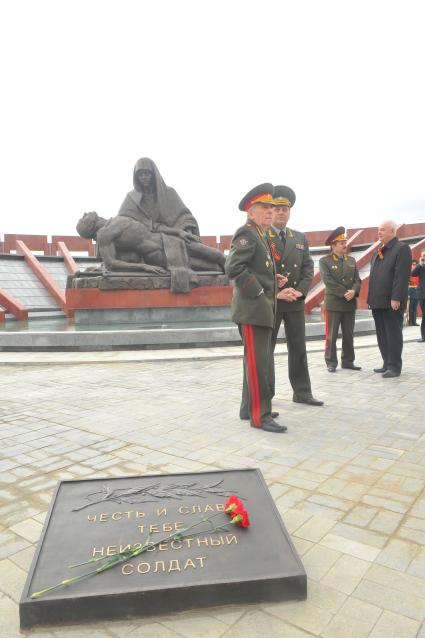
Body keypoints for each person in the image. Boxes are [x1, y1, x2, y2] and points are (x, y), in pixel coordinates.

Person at [225, 184, 286, 433]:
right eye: (264, 208)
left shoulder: (260, 234)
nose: (270, 212)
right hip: (253, 309)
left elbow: (256, 268)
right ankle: (260, 416)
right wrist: (260, 292)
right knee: (258, 364)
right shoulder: (248, 234)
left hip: (259, 309)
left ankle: (248, 407)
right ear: (251, 213)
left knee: (255, 361)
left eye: (272, 207)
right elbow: (234, 268)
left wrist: (274, 279)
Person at [267, 185, 323, 405]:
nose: (281, 212)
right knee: (266, 350)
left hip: (294, 301)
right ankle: (266, 395)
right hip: (271, 301)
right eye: (277, 208)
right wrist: (277, 290)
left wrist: (300, 290)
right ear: (271, 211)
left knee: (298, 347)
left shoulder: (299, 237)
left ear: (290, 212)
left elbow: (308, 267)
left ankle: (302, 392)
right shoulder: (263, 235)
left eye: (285, 209)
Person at [76, 212, 225, 274]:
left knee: (217, 255)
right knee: (212, 268)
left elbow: (152, 226)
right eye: (82, 219)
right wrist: (143, 266)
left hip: (169, 240)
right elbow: (110, 264)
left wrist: (178, 231)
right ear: (89, 226)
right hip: (159, 255)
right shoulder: (104, 235)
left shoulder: (118, 217)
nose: (84, 214)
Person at [368, 220, 412, 377]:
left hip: (391, 302)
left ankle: (394, 366)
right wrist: (370, 300)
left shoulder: (402, 249)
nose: (379, 232)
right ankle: (386, 362)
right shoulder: (378, 251)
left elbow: (401, 275)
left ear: (393, 231)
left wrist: (396, 298)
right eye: (378, 230)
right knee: (382, 334)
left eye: (383, 230)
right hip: (377, 301)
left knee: (393, 333)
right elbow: (374, 277)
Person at [118, 158, 200, 237]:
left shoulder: (169, 192)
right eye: (140, 174)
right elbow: (120, 220)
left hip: (170, 235)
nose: (143, 177)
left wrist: (187, 231)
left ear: (153, 174)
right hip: (141, 238)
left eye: (147, 173)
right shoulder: (131, 198)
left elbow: (185, 217)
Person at [319, 227, 362, 372]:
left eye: (345, 241)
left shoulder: (351, 260)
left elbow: (357, 279)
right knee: (331, 336)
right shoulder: (325, 261)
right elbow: (328, 281)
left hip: (349, 303)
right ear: (333, 245)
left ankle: (348, 361)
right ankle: (331, 362)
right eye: (341, 242)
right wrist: (345, 292)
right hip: (334, 303)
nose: (345, 245)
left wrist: (354, 291)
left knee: (349, 335)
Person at [412, 249, 425, 342]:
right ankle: (424, 336)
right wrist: (419, 264)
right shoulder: (420, 266)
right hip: (423, 295)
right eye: (422, 255)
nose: (423, 257)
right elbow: (413, 273)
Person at [407, 260, 419, 326]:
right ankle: (410, 321)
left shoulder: (418, 273)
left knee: (415, 307)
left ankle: (414, 321)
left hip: (417, 291)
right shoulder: (408, 273)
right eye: (413, 264)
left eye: (415, 265)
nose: (414, 266)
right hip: (410, 291)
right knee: (410, 307)